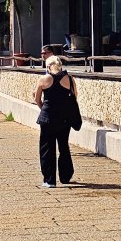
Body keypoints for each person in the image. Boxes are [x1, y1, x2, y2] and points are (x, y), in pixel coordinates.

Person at [30, 54, 76, 188]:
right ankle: (66, 176)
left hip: (47, 118)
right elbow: (74, 98)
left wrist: (43, 108)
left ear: (48, 66)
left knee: (47, 149)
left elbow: (37, 99)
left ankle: (49, 180)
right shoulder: (70, 79)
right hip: (64, 119)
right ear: (60, 66)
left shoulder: (43, 79)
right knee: (64, 147)